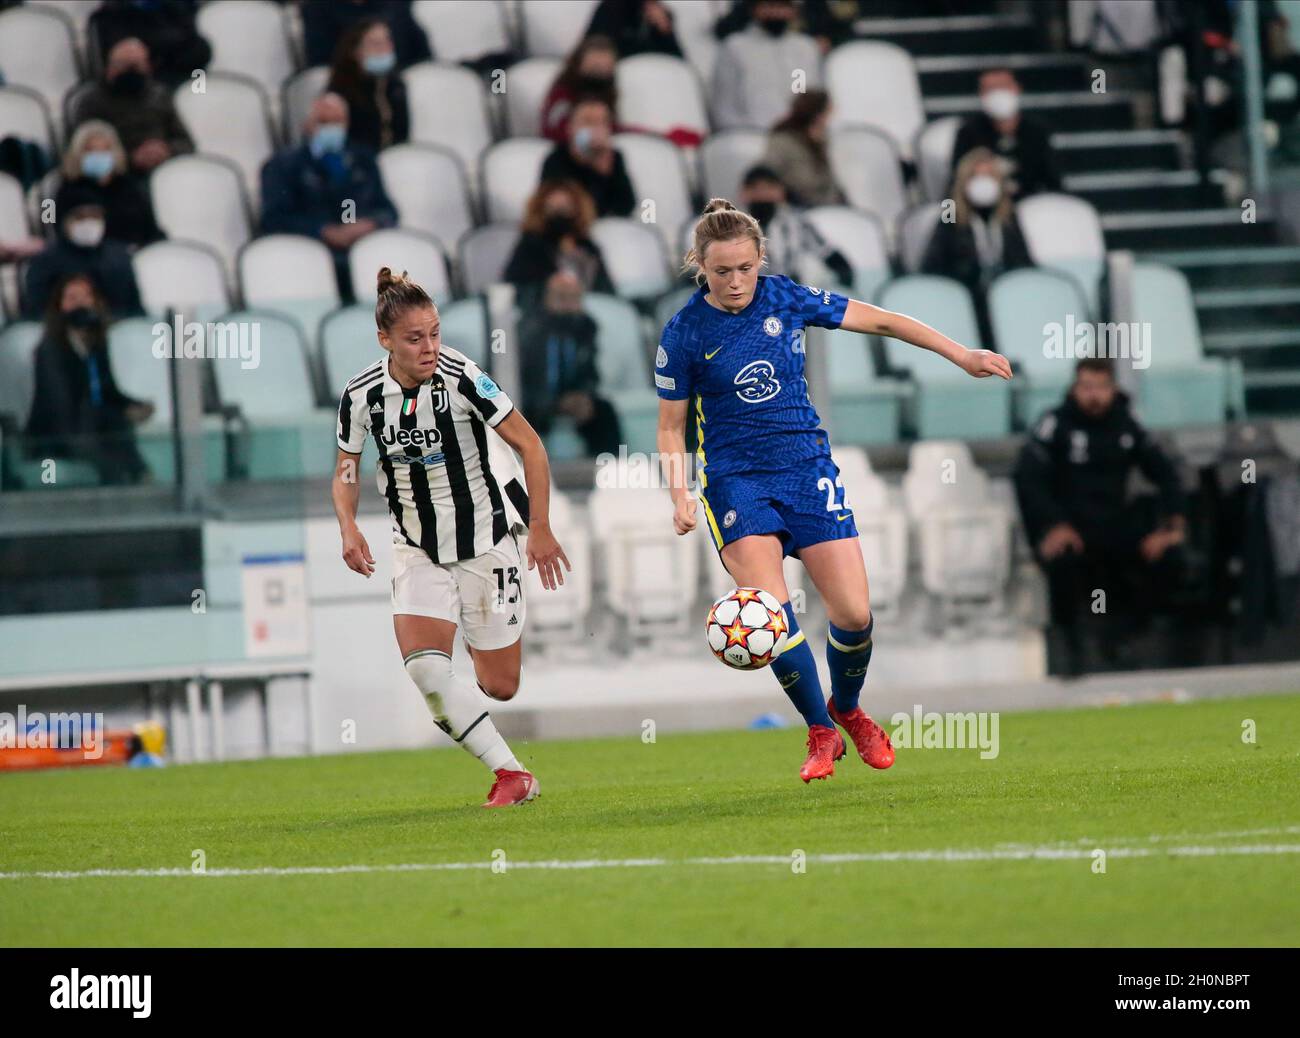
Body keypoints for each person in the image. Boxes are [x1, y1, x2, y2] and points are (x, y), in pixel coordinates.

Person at [656, 199, 1012, 782]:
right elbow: (670, 427)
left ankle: (847, 709)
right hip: (735, 481)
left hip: (805, 466)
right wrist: (678, 494)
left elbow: (884, 321)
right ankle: (820, 730)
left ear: (760, 259)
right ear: (700, 266)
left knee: (853, 613)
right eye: (722, 272)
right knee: (770, 612)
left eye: (745, 268)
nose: (736, 281)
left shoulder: (786, 297)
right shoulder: (686, 331)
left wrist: (961, 354)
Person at [332, 267, 570, 808]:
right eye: (415, 338)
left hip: (486, 543)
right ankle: (512, 774)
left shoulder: (464, 377)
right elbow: (346, 467)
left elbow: (531, 445)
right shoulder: (361, 395)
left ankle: (476, 639)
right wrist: (348, 526)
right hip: (415, 548)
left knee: (500, 686)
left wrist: (540, 528)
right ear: (384, 340)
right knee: (427, 673)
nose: (430, 347)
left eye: (435, 333)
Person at [1013, 359, 1189, 676]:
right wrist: (1052, 525)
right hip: (1071, 526)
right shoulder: (1055, 424)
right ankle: (1072, 650)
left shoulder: (1128, 423)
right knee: (1063, 562)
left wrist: (1171, 526)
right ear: (1074, 389)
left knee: (1172, 559)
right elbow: (1028, 478)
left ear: (1113, 389)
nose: (1093, 395)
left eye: (1100, 388)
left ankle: (1122, 636)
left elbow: (1167, 474)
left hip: (1116, 525)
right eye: (1086, 387)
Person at [260, 94, 397, 297]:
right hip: (308, 256)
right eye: (323, 122)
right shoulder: (283, 166)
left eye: (337, 122)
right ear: (307, 124)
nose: (331, 129)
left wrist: (369, 224)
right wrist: (323, 231)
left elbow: (388, 211)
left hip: (363, 251)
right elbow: (273, 218)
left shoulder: (364, 160)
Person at [25, 273, 152, 486]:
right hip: (60, 433)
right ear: (60, 306)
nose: (81, 304)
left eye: (86, 297)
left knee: (119, 424)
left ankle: (142, 476)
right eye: (72, 298)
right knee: (112, 460)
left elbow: (106, 389)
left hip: (95, 425)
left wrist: (132, 405)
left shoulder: (96, 345)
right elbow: (59, 406)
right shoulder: (50, 350)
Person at [921, 147, 1033, 346]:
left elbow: (1023, 261)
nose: (983, 182)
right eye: (976, 176)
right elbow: (932, 264)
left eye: (989, 176)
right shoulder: (951, 215)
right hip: (967, 297)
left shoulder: (1008, 217)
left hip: (1005, 297)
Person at [517, 270, 623, 457]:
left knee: (604, 412)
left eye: (574, 298)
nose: (568, 305)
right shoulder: (528, 331)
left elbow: (591, 373)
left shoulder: (586, 328)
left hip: (571, 396)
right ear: (546, 299)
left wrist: (583, 396)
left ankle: (610, 472)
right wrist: (554, 403)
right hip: (534, 399)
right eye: (561, 297)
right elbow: (522, 381)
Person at [69, 37, 195, 178]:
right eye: (125, 66)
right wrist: (130, 158)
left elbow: (187, 143)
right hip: (118, 178)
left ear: (147, 67)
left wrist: (166, 150)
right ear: (110, 68)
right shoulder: (91, 102)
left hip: (167, 170)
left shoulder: (159, 95)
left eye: (137, 66)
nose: (131, 72)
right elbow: (83, 156)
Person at [23, 182, 143, 319]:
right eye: (80, 217)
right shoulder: (44, 263)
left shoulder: (119, 257)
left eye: (95, 216)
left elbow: (136, 311)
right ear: (64, 221)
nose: (89, 223)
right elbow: (37, 313)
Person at [711, 0, 823, 132]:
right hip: (750, 136)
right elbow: (723, 108)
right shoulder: (735, 47)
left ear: (794, 11)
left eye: (782, 7)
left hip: (797, 137)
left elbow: (811, 95)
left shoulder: (805, 47)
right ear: (754, 9)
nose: (776, 13)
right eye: (769, 6)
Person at [951, 69, 1060, 200]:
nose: (997, 94)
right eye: (990, 89)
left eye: (1003, 86)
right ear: (981, 94)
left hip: (1030, 207)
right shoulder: (968, 133)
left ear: (1017, 88)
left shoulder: (1037, 132)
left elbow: (1053, 181)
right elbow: (955, 183)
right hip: (987, 209)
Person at [504, 180, 614, 307]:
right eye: (553, 207)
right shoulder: (530, 247)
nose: (560, 213)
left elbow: (607, 294)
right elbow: (517, 288)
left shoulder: (589, 250)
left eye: (565, 207)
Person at [739, 165, 852, 286]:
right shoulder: (732, 225)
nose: (762, 194)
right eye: (755, 189)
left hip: (789, 293)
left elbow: (824, 250)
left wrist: (844, 271)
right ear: (744, 193)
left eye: (768, 188)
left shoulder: (796, 222)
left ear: (781, 192)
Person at [55, 120, 161, 247]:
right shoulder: (63, 189)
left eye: (105, 150)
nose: (98, 155)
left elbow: (151, 227)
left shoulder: (130, 187)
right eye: (90, 150)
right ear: (77, 154)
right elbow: (48, 221)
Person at [539, 96, 636, 218]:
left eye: (602, 122)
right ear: (570, 127)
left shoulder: (614, 158)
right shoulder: (556, 159)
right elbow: (563, 209)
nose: (595, 128)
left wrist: (604, 171)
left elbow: (626, 207)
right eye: (588, 122)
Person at [326, 18, 409, 153]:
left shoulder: (397, 87)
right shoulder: (339, 93)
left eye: (387, 41)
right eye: (376, 44)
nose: (384, 49)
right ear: (354, 51)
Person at [87, 0, 211, 88]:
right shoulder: (109, 14)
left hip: (175, 82)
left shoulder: (178, 8)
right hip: (131, 94)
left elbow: (196, 49)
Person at [762, 89, 844, 208]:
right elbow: (766, 175)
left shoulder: (822, 139)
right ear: (817, 114)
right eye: (827, 112)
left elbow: (830, 182)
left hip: (828, 209)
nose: (829, 118)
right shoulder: (783, 142)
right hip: (798, 211)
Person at [303, 0, 431, 70]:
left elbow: (422, 55)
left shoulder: (397, 5)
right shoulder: (316, 9)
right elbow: (320, 67)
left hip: (402, 88)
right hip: (350, 94)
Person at [540, 34, 620, 144]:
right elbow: (553, 130)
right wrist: (589, 138)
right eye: (595, 68)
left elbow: (612, 127)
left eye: (606, 69)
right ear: (578, 65)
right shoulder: (562, 93)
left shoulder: (607, 92)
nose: (600, 74)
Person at [586, 0, 683, 57]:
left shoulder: (662, 13)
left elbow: (678, 57)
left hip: (659, 72)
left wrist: (664, 29)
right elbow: (595, 48)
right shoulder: (611, 7)